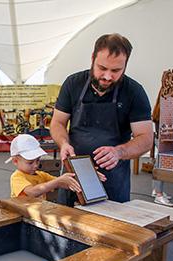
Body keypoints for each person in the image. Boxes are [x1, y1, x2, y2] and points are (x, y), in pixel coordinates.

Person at [50, 33, 153, 205]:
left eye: (115, 71)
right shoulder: (73, 83)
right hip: (73, 173)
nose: (107, 76)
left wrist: (118, 152)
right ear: (92, 58)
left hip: (112, 179)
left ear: (126, 65)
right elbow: (58, 122)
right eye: (102, 68)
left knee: (110, 228)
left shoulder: (134, 92)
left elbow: (146, 138)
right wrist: (63, 143)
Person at [7, 134, 104, 199]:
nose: (36, 165)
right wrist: (57, 182)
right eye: (30, 162)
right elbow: (32, 192)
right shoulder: (17, 177)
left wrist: (85, 176)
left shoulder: (41, 175)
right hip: (22, 217)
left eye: (38, 160)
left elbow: (64, 183)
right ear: (15, 161)